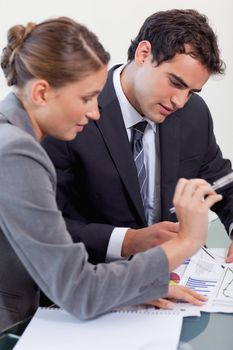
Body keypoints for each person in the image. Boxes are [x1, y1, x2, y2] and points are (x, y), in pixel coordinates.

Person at [0, 16, 222, 332]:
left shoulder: (15, 137)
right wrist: (188, 240)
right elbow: (79, 290)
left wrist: (138, 285)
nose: (94, 112)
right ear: (40, 93)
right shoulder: (15, 151)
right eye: (86, 98)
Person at [43, 9, 233, 265]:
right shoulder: (74, 111)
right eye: (176, 83)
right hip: (96, 277)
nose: (180, 101)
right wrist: (127, 241)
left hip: (180, 274)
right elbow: (44, 224)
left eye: (191, 91)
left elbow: (223, 184)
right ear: (144, 54)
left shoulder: (194, 113)